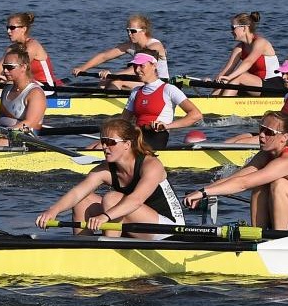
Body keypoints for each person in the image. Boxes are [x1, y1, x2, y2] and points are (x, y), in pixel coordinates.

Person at [181, 111, 288, 232]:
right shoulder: (264, 155)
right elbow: (236, 178)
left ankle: (278, 240)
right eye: (261, 129)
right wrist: (202, 192)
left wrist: (204, 193)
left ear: (284, 137)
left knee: (279, 184)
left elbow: (243, 184)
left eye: (269, 132)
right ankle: (258, 235)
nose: (261, 135)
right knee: (259, 183)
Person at [35, 119, 184, 239]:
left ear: (127, 144)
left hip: (169, 230)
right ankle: (83, 247)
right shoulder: (105, 169)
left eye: (111, 142)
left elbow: (136, 200)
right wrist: (53, 211)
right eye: (103, 141)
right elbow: (77, 193)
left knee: (112, 198)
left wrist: (104, 217)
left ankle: (110, 248)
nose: (105, 147)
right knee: (83, 201)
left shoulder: (151, 165)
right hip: (136, 222)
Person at [226, 58, 288, 142]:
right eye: (283, 73)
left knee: (242, 143)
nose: (283, 77)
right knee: (233, 140)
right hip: (279, 135)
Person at [120, 51, 201, 150]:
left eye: (141, 66)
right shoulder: (136, 91)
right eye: (135, 66)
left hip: (156, 137)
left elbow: (196, 115)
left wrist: (167, 126)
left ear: (154, 65)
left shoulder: (169, 89)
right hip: (136, 136)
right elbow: (122, 122)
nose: (137, 70)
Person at [71, 14, 170, 90]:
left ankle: (106, 104)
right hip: (143, 80)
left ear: (143, 30)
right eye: (127, 31)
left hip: (159, 84)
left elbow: (138, 67)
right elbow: (104, 56)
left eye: (133, 31)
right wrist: (82, 68)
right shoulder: (130, 45)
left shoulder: (155, 46)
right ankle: (95, 101)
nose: (129, 34)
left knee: (116, 81)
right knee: (104, 81)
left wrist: (114, 75)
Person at [209, 12, 280, 96]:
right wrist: (215, 81)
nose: (231, 31)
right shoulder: (239, 48)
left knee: (240, 77)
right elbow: (227, 71)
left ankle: (221, 103)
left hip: (274, 85)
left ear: (245, 28)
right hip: (256, 85)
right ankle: (210, 100)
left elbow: (248, 62)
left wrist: (230, 77)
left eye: (233, 27)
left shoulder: (261, 42)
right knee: (224, 82)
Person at [0, 12, 56, 87]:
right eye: (7, 28)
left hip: (46, 88)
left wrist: (2, 78)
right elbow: (0, 66)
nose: (8, 31)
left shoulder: (33, 46)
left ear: (23, 29)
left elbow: (19, 68)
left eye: (12, 28)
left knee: (5, 84)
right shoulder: (11, 48)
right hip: (28, 85)